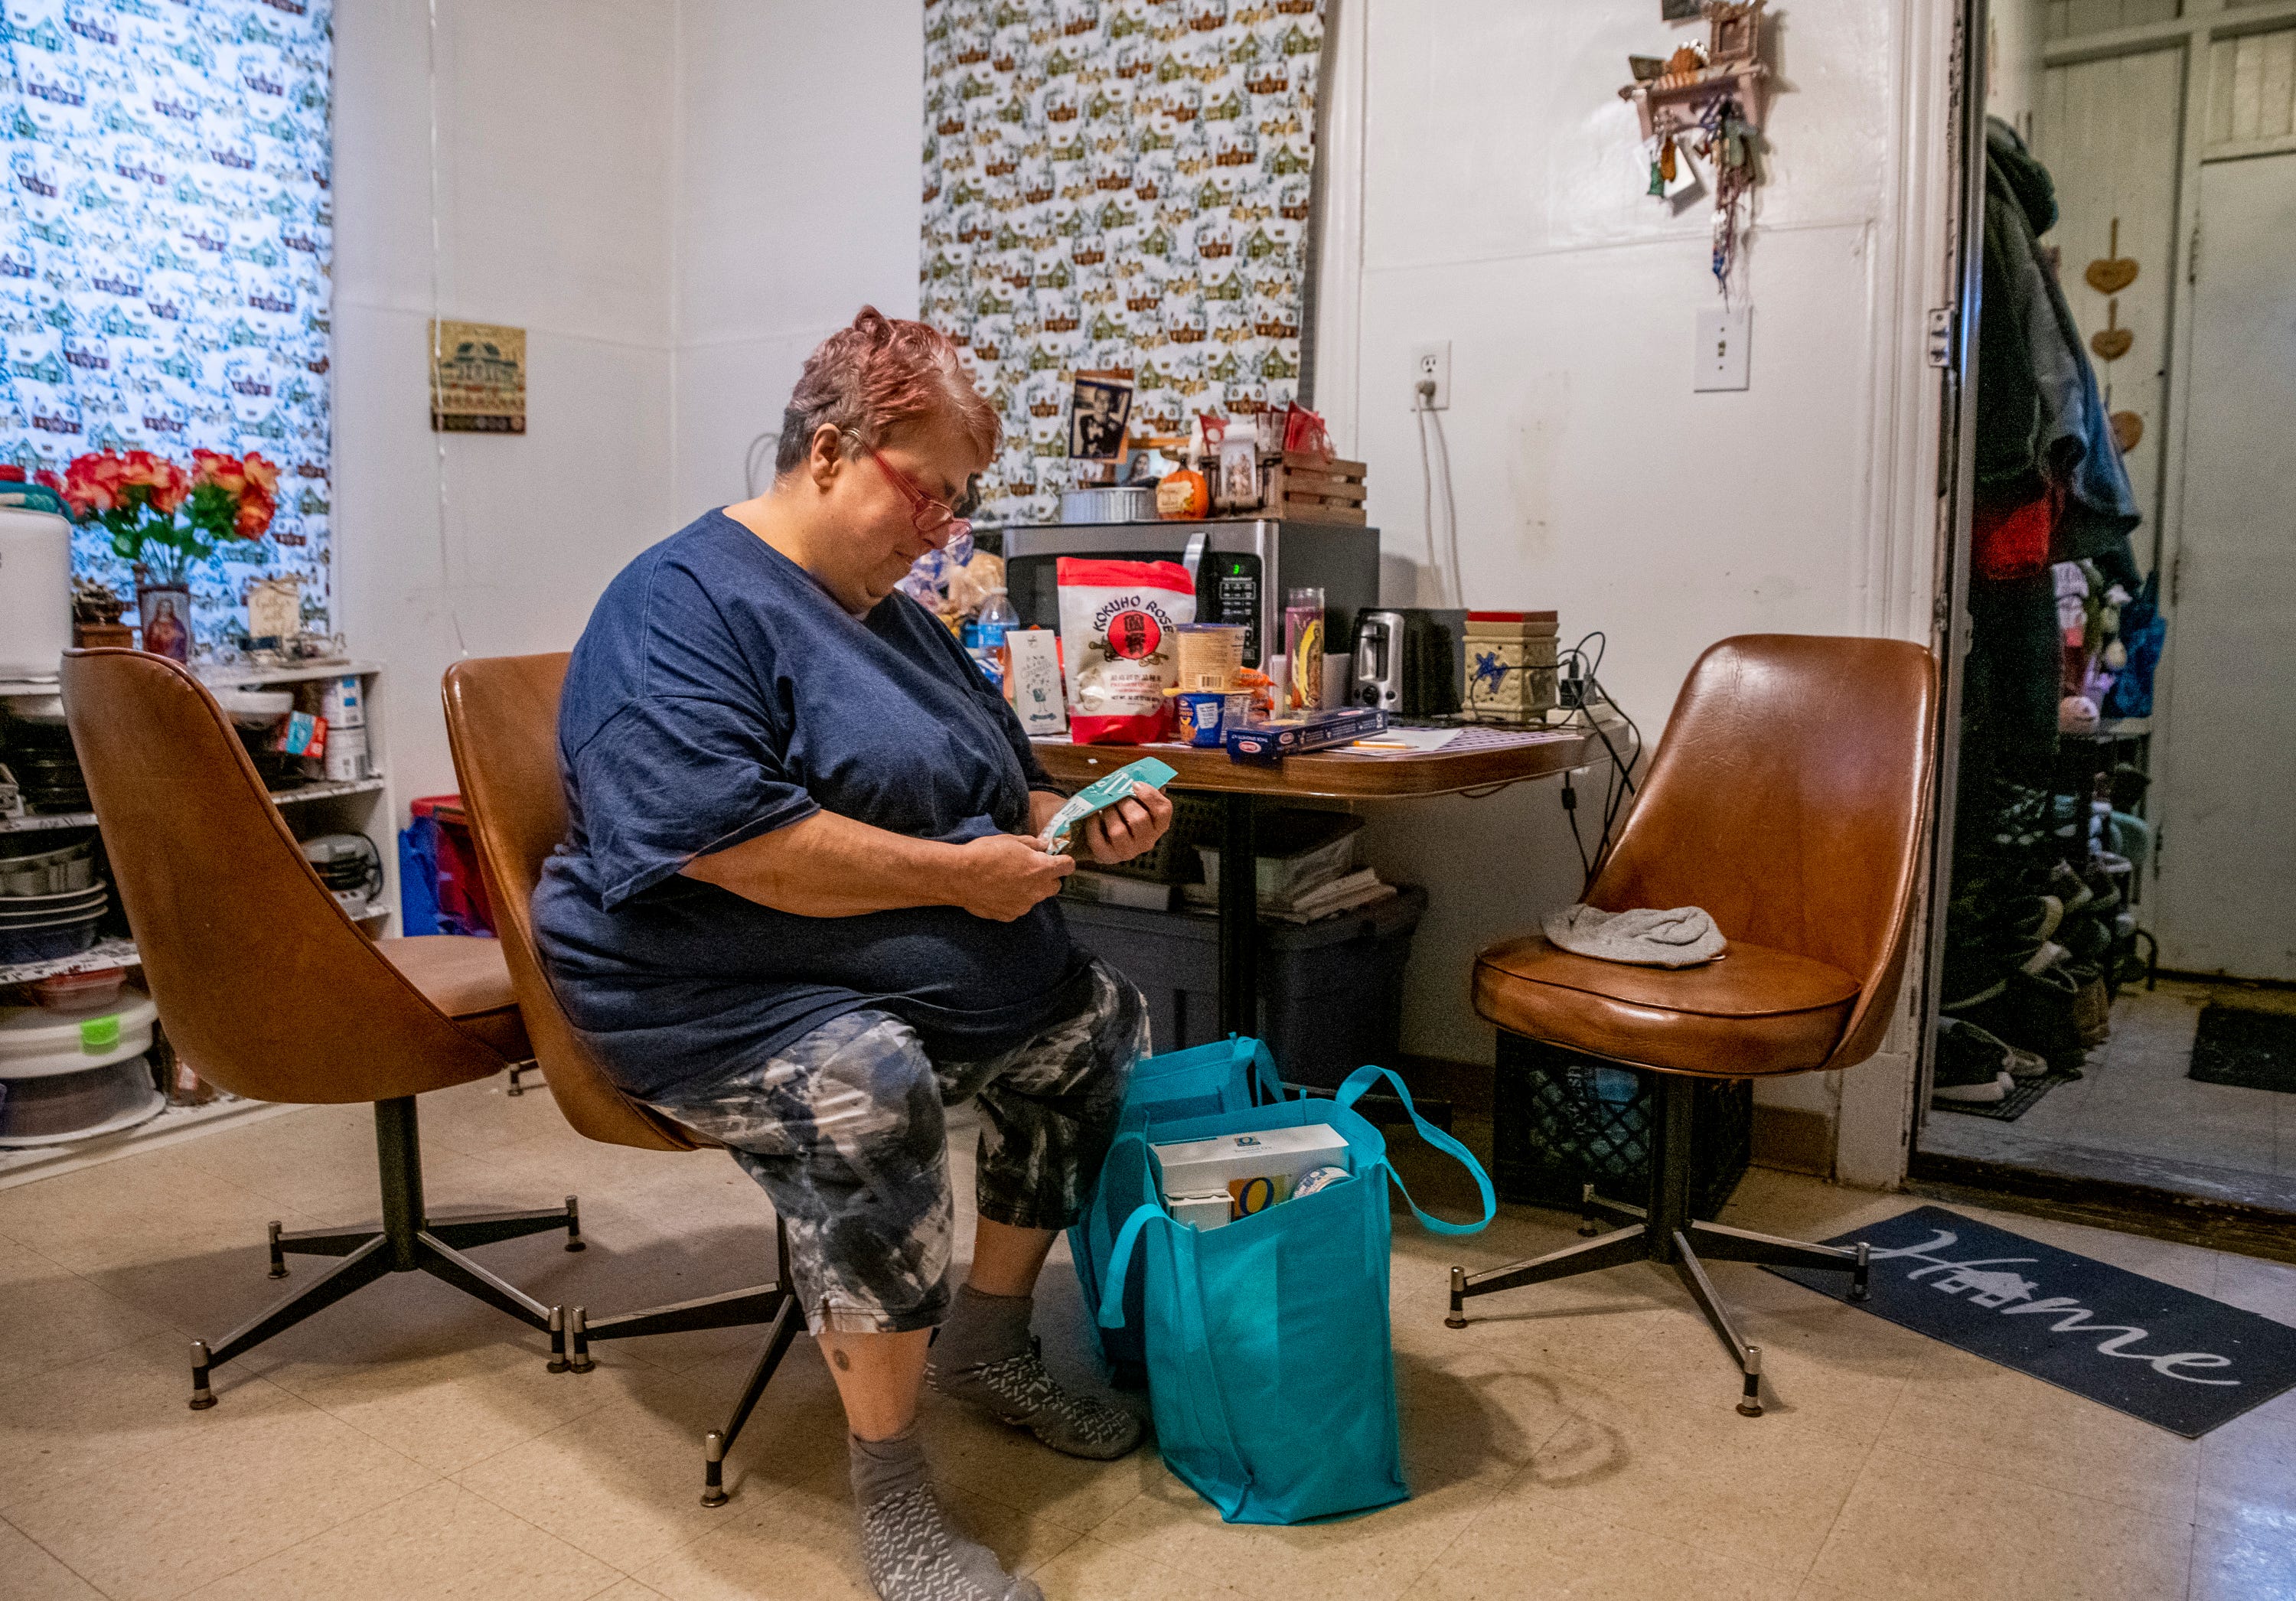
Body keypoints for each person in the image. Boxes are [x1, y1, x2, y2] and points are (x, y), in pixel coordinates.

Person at [534, 308, 1171, 1601]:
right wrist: (961, 880)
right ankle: (895, 1499)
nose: (945, 531)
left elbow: (990, 788)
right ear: (830, 451)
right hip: (703, 988)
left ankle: (986, 1341)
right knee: (869, 1088)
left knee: (1099, 1022)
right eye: (928, 494)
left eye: (959, 506)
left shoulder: (890, 614)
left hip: (875, 959)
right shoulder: (679, 604)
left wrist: (1071, 825)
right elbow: (729, 847)